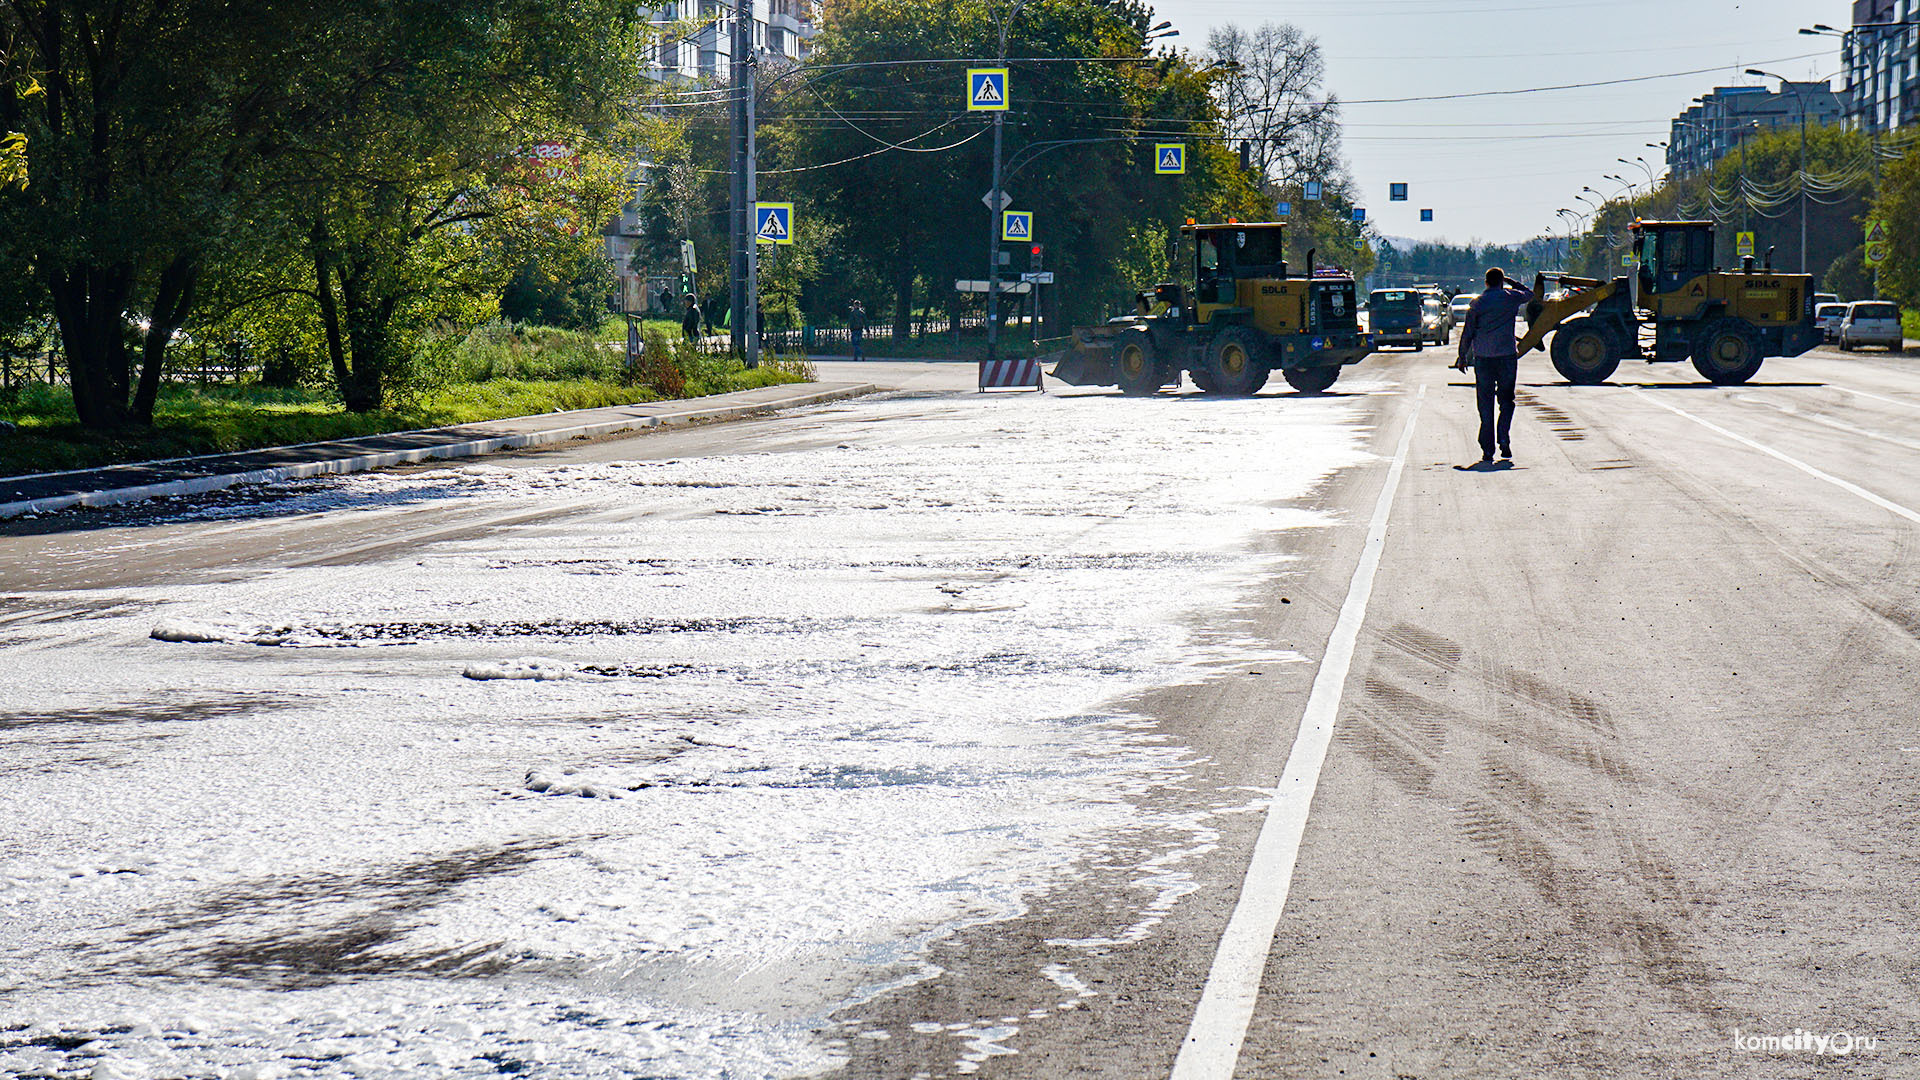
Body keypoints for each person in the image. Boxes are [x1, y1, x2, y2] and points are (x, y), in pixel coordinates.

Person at [1454, 267, 1534, 465]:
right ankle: (1504, 437)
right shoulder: (1509, 297)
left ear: (1485, 283)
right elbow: (1530, 294)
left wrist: (1462, 356)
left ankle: (1487, 449)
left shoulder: (1478, 303)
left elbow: (1468, 332)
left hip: (1483, 359)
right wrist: (1512, 282)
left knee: (1486, 404)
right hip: (1506, 357)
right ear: (1501, 282)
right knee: (1507, 401)